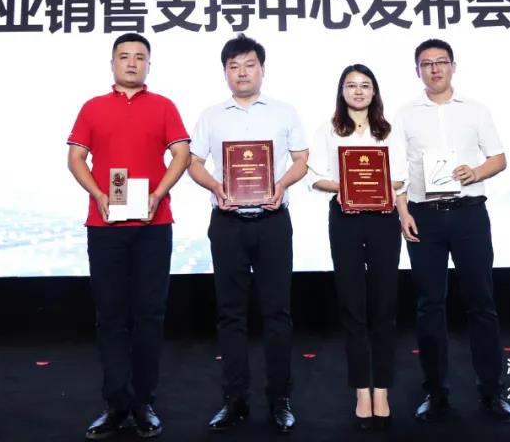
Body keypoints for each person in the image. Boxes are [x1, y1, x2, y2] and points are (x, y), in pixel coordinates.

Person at [67, 33, 191, 440]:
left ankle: (143, 403)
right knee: (111, 316)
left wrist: (158, 194)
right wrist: (99, 195)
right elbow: (75, 157)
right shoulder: (93, 107)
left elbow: (181, 154)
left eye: (140, 57)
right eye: (124, 56)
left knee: (149, 316)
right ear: (113, 63)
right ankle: (115, 403)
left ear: (149, 65)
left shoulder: (164, 106)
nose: (132, 63)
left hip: (154, 226)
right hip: (105, 226)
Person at [187, 34, 309, 433]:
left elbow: (302, 159)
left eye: (249, 65)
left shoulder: (284, 112)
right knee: (230, 313)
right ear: (225, 72)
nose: (242, 73)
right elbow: (194, 163)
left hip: (273, 222)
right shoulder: (211, 116)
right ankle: (234, 399)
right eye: (234, 66)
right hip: (228, 223)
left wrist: (282, 184)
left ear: (262, 69)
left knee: (277, 312)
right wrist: (216, 186)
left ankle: (280, 399)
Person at [394, 38, 510, 424]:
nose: (435, 69)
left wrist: (475, 172)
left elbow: (499, 158)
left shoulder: (476, 110)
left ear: (453, 66)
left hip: (469, 215)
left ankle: (492, 392)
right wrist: (403, 213)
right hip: (424, 218)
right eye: (426, 63)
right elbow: (396, 172)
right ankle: (436, 392)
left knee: (481, 304)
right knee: (429, 306)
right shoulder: (404, 116)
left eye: (441, 62)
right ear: (417, 70)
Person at [307, 64, 407, 431]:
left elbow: (400, 179)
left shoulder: (388, 130)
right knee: (353, 307)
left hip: (382, 219)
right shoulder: (329, 130)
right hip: (346, 218)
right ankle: (361, 391)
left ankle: (382, 390)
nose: (359, 91)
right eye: (351, 85)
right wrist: (348, 185)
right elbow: (316, 178)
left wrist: (376, 184)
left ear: (374, 91)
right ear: (342, 91)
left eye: (365, 85)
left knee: (384, 306)